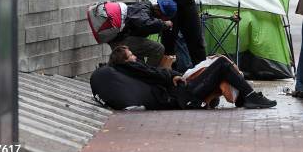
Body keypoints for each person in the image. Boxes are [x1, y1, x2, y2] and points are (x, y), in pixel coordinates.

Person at [108, 45, 277, 109]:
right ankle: (250, 96)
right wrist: (173, 76)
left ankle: (245, 98)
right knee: (221, 64)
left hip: (183, 92)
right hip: (186, 95)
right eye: (130, 55)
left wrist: (173, 76)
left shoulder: (131, 67)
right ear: (124, 61)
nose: (135, 57)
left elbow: (156, 75)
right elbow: (156, 74)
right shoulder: (132, 67)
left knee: (219, 65)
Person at [108, 0, 177, 67]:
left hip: (123, 38)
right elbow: (145, 23)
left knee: (139, 63)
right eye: (164, 18)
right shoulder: (143, 8)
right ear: (160, 12)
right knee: (158, 48)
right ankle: (147, 75)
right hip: (120, 39)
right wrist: (164, 24)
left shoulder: (147, 11)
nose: (163, 19)